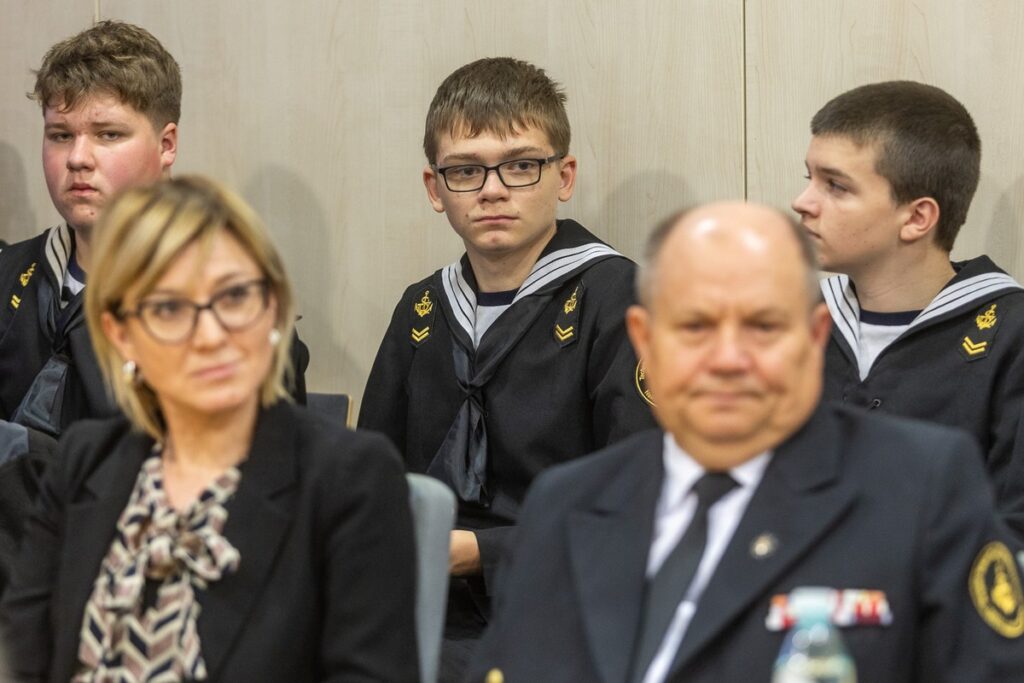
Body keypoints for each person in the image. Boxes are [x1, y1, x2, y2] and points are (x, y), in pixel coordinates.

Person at [469, 202, 1024, 683]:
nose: (728, 359)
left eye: (762, 327)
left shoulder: (921, 489)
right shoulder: (566, 504)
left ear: (812, 338)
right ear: (645, 341)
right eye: (695, 327)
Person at [0, 176, 419, 682]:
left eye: (235, 295)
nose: (211, 335)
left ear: (274, 306)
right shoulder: (83, 462)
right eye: (170, 309)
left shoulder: (351, 479)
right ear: (123, 335)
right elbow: (27, 659)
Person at [358, 57, 656, 678]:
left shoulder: (616, 297)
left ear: (564, 175)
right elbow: (375, 475)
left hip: (567, 606)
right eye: (465, 170)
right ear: (434, 189)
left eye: (521, 165)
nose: (492, 189)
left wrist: (476, 551)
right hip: (424, 605)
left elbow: (641, 501)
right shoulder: (422, 306)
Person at [0, 20, 310, 587]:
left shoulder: (221, 303)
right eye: (60, 134)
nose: (78, 159)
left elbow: (244, 507)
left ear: (167, 145)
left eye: (109, 134)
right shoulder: (7, 276)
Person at [792, 81, 1024, 539]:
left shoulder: (1010, 337)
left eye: (836, 186)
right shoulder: (792, 321)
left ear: (917, 218)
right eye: (809, 179)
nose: (803, 203)